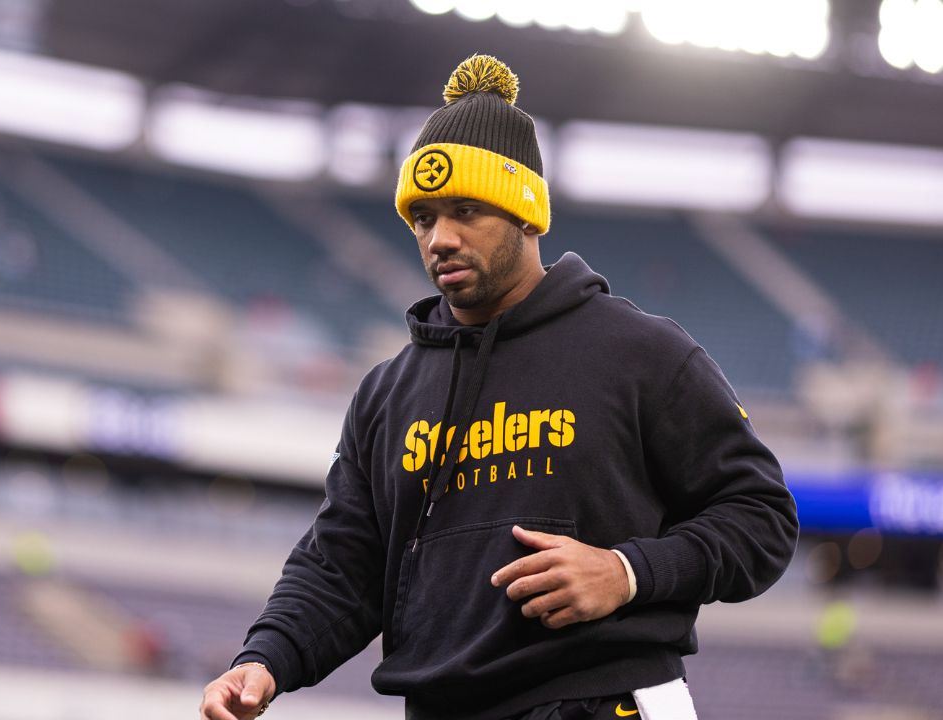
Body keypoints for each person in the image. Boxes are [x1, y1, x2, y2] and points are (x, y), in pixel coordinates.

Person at [199, 54, 798, 720]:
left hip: (605, 703)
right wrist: (264, 658)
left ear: (525, 213)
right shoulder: (385, 395)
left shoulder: (642, 353)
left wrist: (627, 573)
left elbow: (762, 519)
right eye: (423, 218)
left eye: (465, 211)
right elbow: (343, 565)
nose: (440, 240)